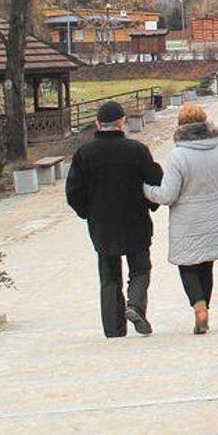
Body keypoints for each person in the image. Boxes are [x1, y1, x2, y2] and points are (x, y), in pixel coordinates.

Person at [66, 101, 163, 338]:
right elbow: (154, 182)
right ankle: (136, 305)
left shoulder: (84, 154)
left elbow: (73, 192)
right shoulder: (137, 150)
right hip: (135, 220)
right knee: (140, 268)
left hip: (102, 224)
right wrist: (152, 204)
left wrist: (87, 212)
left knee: (109, 276)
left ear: (98, 124)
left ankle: (114, 328)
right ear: (122, 122)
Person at [143, 104, 218, 335]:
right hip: (212, 216)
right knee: (207, 264)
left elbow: (167, 195)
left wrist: (146, 190)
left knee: (188, 265)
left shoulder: (178, 156)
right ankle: (206, 308)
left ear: (181, 126)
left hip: (186, 219)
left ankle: (198, 306)